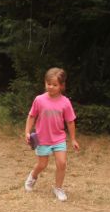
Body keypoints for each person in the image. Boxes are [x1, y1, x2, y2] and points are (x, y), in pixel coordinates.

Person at [24, 67, 80, 201]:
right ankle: (32, 176)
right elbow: (31, 116)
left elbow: (70, 121)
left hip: (59, 138)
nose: (51, 87)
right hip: (42, 139)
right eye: (48, 84)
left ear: (62, 86)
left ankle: (58, 188)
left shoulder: (65, 102)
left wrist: (73, 139)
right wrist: (27, 132)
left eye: (55, 85)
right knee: (42, 165)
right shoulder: (39, 100)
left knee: (62, 163)